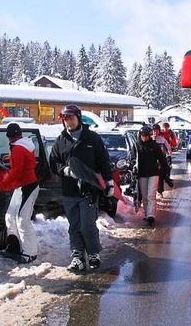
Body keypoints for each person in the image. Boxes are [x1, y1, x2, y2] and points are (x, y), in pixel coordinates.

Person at [49, 105, 115, 272]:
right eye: (65, 119)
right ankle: (77, 256)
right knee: (74, 225)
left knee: (87, 224)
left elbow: (103, 162)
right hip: (69, 190)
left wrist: (109, 183)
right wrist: (64, 170)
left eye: (71, 118)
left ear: (78, 118)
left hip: (89, 190)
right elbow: (54, 161)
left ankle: (93, 253)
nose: (68, 122)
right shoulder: (60, 140)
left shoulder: (92, 138)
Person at [0, 122, 40, 264]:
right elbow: (25, 163)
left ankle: (30, 253)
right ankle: (14, 247)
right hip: (23, 186)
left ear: (9, 136)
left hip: (27, 187)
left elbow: (15, 173)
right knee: (10, 216)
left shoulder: (18, 149)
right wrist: (11, 159)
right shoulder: (24, 145)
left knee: (22, 220)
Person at [130, 125, 169, 225]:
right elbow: (132, 159)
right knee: (144, 195)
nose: (145, 137)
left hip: (153, 173)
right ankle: (147, 214)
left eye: (147, 135)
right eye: (143, 135)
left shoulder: (154, 145)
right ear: (140, 135)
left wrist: (166, 171)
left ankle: (151, 215)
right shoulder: (136, 145)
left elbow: (161, 158)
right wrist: (133, 167)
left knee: (151, 194)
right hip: (142, 174)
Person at [152, 124, 173, 196]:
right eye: (154, 130)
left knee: (160, 176)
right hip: (151, 160)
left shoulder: (162, 140)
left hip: (161, 160)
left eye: (156, 130)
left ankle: (160, 191)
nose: (155, 132)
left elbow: (168, 149)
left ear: (159, 131)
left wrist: (169, 156)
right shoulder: (150, 139)